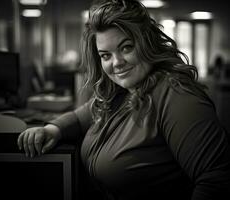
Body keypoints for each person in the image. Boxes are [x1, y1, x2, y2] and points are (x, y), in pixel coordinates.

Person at [17, 0, 230, 199]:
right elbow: (81, 116)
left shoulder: (175, 95)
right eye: (105, 55)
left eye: (126, 47)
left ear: (147, 44)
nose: (116, 63)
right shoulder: (121, 91)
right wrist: (52, 129)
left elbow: (217, 178)